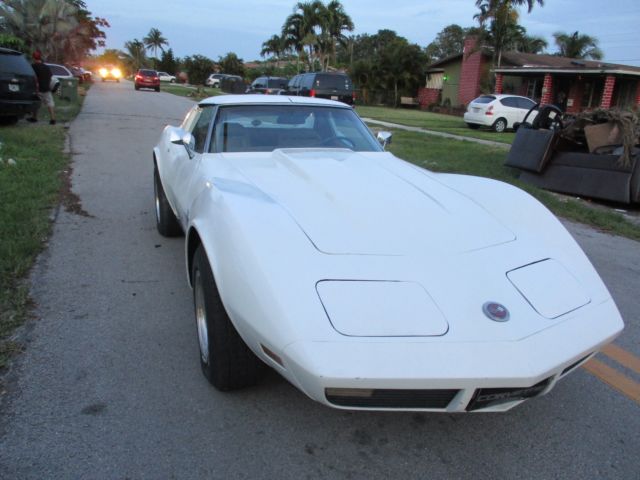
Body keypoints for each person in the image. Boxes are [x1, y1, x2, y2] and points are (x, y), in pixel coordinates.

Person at [28, 50, 56, 125]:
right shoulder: (46, 67)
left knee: (36, 103)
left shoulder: (33, 67)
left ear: (33, 58)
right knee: (50, 103)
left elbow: (32, 77)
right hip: (46, 88)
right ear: (40, 58)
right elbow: (50, 77)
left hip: (37, 88)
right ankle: (53, 119)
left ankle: (34, 117)